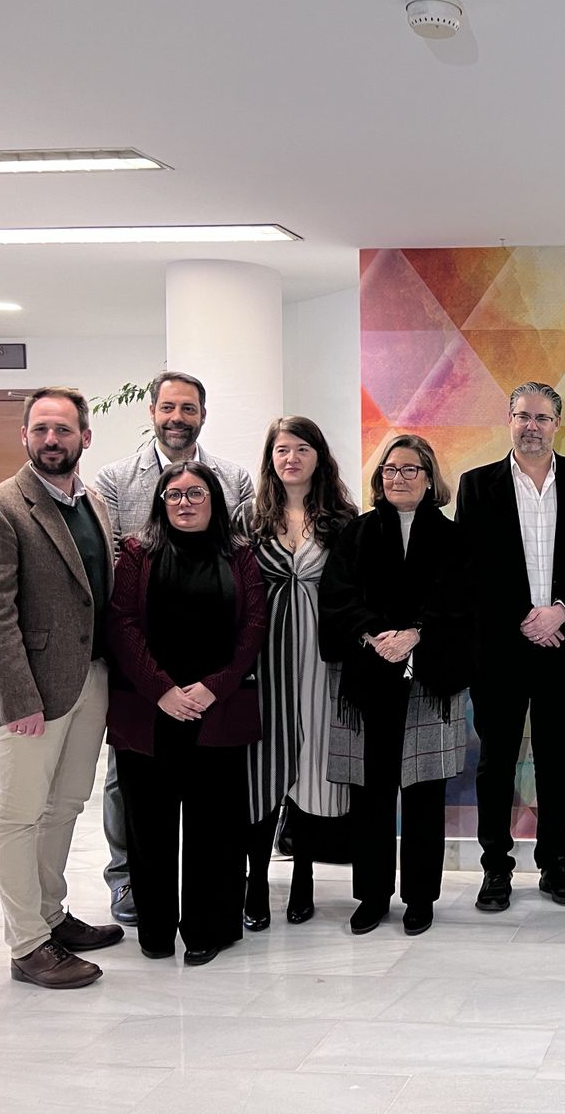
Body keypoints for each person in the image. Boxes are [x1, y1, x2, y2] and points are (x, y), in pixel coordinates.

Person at [0, 386, 124, 988]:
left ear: (85, 436)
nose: (52, 439)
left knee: (65, 807)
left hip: (91, 681)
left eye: (64, 429)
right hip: (32, 694)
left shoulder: (94, 502)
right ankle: (28, 943)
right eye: (41, 429)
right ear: (25, 436)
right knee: (19, 814)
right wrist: (17, 699)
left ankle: (52, 916)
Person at [91, 370, 254, 927]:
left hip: (215, 674)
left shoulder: (234, 478)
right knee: (131, 789)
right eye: (167, 407)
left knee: (215, 802)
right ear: (152, 412)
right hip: (143, 674)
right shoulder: (115, 479)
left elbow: (247, 573)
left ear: (202, 414)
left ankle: (216, 900)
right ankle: (130, 885)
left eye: (188, 408)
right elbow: (113, 580)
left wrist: (215, 683)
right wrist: (155, 683)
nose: (176, 417)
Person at [106, 461, 267, 966]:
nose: (185, 503)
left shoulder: (241, 556)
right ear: (160, 502)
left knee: (215, 829)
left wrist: (212, 688)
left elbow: (254, 628)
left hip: (217, 710)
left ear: (214, 500)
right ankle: (155, 931)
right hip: (148, 710)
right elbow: (121, 623)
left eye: (196, 493)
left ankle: (208, 929)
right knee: (148, 827)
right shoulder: (135, 553)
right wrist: (163, 690)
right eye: (174, 495)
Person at [456, 382, 565, 913]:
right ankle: (495, 867)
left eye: (542, 417)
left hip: (563, 644)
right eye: (522, 416)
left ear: (558, 422)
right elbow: (471, 574)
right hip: (499, 647)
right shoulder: (476, 485)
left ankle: (554, 862)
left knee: (553, 758)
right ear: (509, 420)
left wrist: (560, 612)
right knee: (495, 760)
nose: (532, 426)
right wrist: (524, 620)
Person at [322, 435, 473, 935]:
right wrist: (372, 633)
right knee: (371, 794)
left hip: (429, 680)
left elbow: (463, 604)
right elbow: (338, 595)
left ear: (430, 479)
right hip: (368, 678)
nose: (398, 478)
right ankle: (371, 896)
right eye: (390, 470)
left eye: (410, 470)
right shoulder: (357, 533)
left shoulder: (453, 537)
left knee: (425, 794)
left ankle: (421, 898)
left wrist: (415, 635)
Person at [237, 416, 360, 930]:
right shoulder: (248, 518)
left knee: (311, 766)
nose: (291, 458)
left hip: (323, 661)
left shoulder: (342, 519)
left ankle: (305, 877)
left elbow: (358, 592)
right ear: (270, 458)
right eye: (282, 449)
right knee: (261, 771)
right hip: (263, 661)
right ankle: (257, 882)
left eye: (302, 449)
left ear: (319, 456)